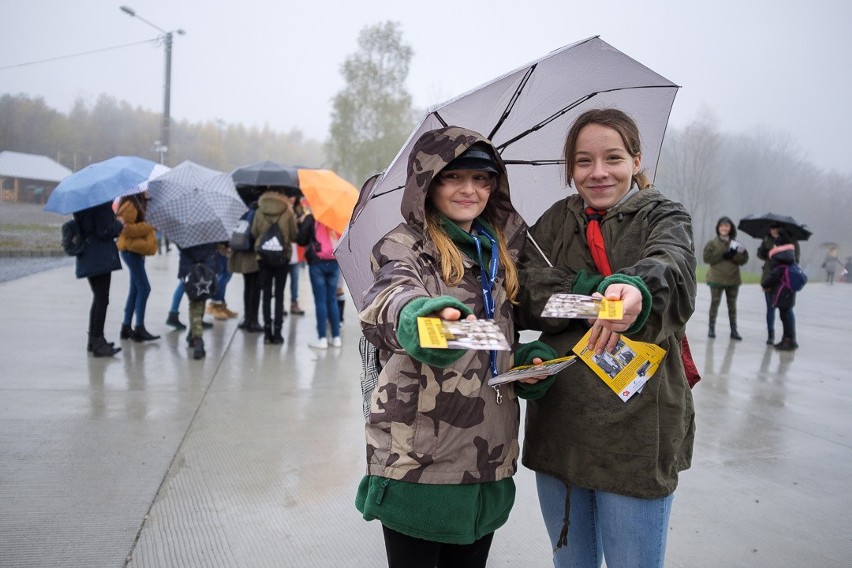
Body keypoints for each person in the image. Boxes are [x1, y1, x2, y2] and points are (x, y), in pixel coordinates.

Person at [356, 126, 557, 568]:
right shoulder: (403, 246)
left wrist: (523, 362)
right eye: (454, 178)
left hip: (489, 458)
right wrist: (423, 321)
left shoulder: (502, 250)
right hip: (421, 463)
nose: (470, 190)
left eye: (482, 180)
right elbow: (389, 299)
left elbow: (504, 331)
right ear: (428, 183)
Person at [515, 108, 696, 568]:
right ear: (569, 169)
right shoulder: (555, 223)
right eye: (583, 161)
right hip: (561, 426)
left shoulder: (664, 215)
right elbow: (524, 291)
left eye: (612, 158)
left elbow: (671, 268)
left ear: (636, 160)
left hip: (638, 428)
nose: (598, 173)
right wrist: (590, 293)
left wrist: (634, 289)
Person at [74, 200, 124, 357]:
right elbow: (104, 231)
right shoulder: (101, 205)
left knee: (98, 298)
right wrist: (119, 224)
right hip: (99, 257)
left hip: (88, 255)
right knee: (102, 299)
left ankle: (93, 340)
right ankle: (98, 342)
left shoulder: (83, 204)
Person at [251, 188, 297, 345]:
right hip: (281, 258)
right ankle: (277, 333)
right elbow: (293, 235)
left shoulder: (259, 210)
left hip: (263, 258)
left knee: (266, 294)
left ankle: (267, 333)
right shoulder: (287, 211)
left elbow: (254, 232)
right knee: (279, 295)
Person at [116, 193, 160, 342]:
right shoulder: (130, 204)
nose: (149, 189)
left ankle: (126, 328)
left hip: (137, 250)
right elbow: (125, 229)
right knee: (144, 288)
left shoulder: (139, 202)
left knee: (135, 289)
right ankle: (139, 328)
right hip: (130, 251)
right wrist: (149, 226)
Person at [296, 209, 342, 349]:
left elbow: (300, 240)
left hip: (317, 263)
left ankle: (322, 338)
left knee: (320, 300)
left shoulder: (312, 217)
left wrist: (303, 224)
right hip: (334, 262)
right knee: (332, 299)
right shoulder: (337, 217)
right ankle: (336, 337)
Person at [702, 216, 748, 339]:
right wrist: (723, 255)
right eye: (722, 226)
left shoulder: (736, 244)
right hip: (716, 279)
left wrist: (733, 256)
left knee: (732, 306)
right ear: (718, 228)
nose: (724, 228)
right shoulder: (712, 244)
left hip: (733, 279)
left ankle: (734, 330)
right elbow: (707, 258)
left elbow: (744, 259)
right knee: (714, 304)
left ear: (730, 228)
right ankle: (711, 329)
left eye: (726, 226)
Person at [757, 224, 799, 345]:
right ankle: (771, 335)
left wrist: (779, 253)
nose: (774, 231)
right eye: (772, 228)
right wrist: (765, 251)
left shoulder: (792, 242)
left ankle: (790, 337)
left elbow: (795, 260)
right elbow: (761, 255)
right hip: (768, 277)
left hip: (784, 281)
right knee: (770, 309)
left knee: (786, 310)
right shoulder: (767, 240)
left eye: (777, 228)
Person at [178, 242, 219, 359]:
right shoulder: (210, 231)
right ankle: (197, 340)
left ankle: (194, 335)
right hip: (207, 269)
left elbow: (181, 246)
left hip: (190, 269)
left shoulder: (186, 233)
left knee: (196, 303)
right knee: (199, 303)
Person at [229, 201, 263, 332]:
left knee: (248, 287)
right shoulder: (257, 212)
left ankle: (247, 319)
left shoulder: (243, 210)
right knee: (255, 288)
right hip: (253, 254)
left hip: (242, 253)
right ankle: (253, 321)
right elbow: (256, 232)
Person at [287, 194, 307, 315]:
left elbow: (300, 232)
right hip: (284, 248)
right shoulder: (283, 209)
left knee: (295, 278)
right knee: (282, 279)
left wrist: (302, 221)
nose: (292, 198)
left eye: (294, 196)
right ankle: (281, 306)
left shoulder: (300, 209)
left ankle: (294, 302)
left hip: (295, 249)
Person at [206, 245, 238, 320]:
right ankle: (215, 304)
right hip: (219, 248)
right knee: (222, 276)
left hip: (226, 247)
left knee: (227, 274)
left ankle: (221, 305)